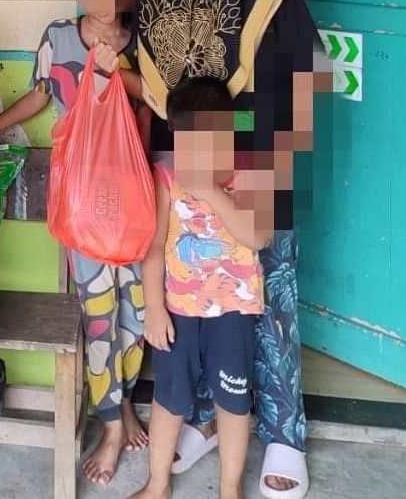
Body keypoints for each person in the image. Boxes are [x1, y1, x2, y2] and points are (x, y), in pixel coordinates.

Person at [135, 0, 325, 499]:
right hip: (181, 171)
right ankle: (206, 417)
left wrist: (255, 147)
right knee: (193, 303)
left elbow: (306, 80)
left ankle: (284, 434)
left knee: (267, 302)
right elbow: (149, 82)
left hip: (255, 163)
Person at [0, 0, 152, 486]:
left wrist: (116, 70)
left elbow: (160, 100)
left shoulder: (144, 39)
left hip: (132, 199)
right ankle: (112, 422)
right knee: (98, 311)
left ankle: (123, 399)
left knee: (138, 310)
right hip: (82, 203)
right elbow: (40, 96)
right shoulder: (58, 37)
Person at [129, 76, 273, 499]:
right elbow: (154, 248)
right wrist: (154, 309)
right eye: (184, 140)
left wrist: (211, 189)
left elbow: (257, 236)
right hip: (178, 311)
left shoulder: (251, 172)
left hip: (233, 312)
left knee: (233, 399)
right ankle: (157, 484)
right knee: (170, 398)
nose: (192, 152)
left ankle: (230, 489)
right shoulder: (166, 177)